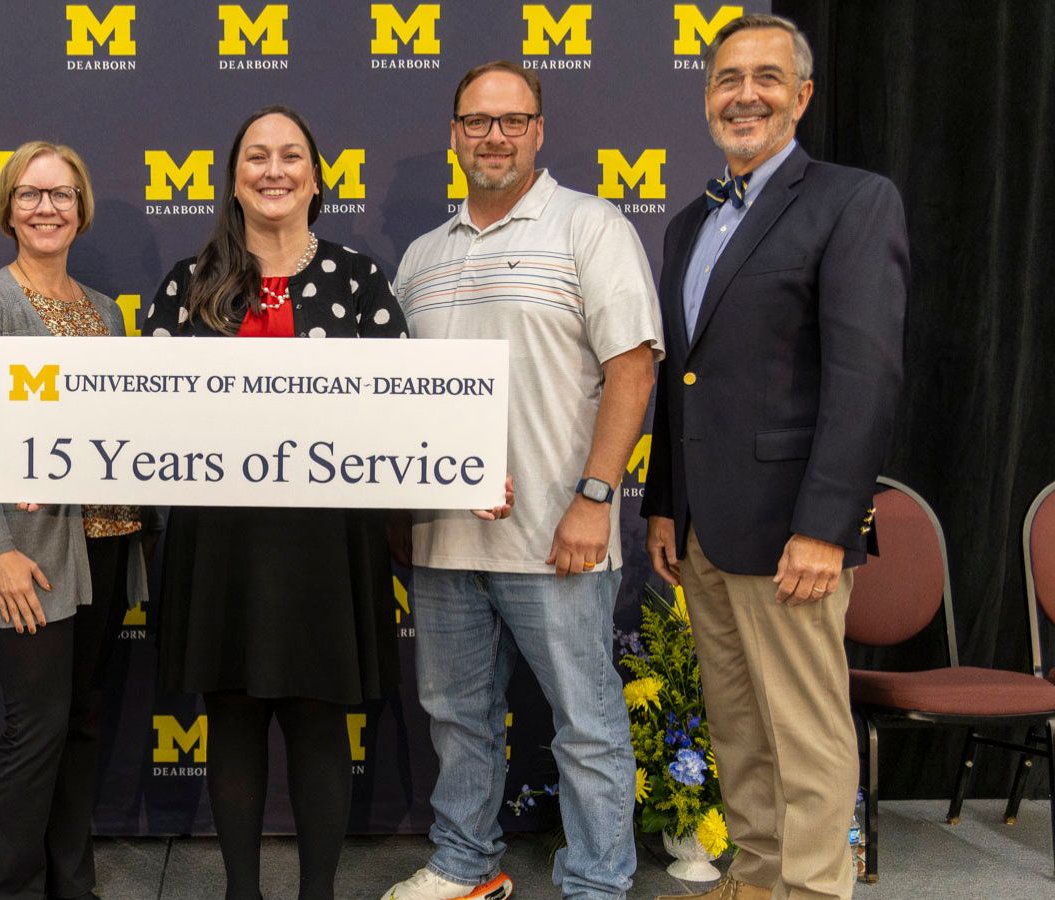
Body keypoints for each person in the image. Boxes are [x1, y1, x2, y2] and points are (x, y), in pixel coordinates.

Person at [642, 14, 907, 900]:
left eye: (764, 77)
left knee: (806, 732)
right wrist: (664, 506)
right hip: (708, 534)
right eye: (726, 79)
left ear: (802, 96)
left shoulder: (851, 199)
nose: (742, 94)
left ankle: (813, 890)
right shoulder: (689, 226)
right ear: (707, 95)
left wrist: (827, 526)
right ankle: (754, 882)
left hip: (795, 535)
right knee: (741, 729)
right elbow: (686, 379)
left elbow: (863, 376)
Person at [384, 61, 663, 900]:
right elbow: (398, 400)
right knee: (458, 720)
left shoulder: (590, 226)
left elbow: (633, 370)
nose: (493, 136)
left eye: (512, 120)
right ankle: (467, 864)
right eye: (477, 121)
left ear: (539, 130)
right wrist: (400, 513)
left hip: (558, 535)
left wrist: (595, 499)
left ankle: (599, 882)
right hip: (443, 537)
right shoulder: (423, 256)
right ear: (455, 134)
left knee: (586, 726)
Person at [141, 105, 407, 900]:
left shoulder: (359, 280)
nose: (274, 170)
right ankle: (241, 893)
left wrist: (462, 473)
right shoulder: (189, 284)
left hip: (327, 542)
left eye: (291, 156)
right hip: (219, 541)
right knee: (232, 720)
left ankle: (317, 892)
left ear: (317, 177)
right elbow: (143, 414)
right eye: (256, 156)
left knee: (322, 722)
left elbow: (403, 410)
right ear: (233, 179)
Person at [0, 141, 150, 900]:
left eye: (61, 195)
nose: (46, 209)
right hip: (26, 553)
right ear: (7, 209)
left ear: (81, 209)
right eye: (30, 195)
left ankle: (72, 886)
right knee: (35, 733)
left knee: (82, 724)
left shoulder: (104, 309)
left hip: (106, 545)